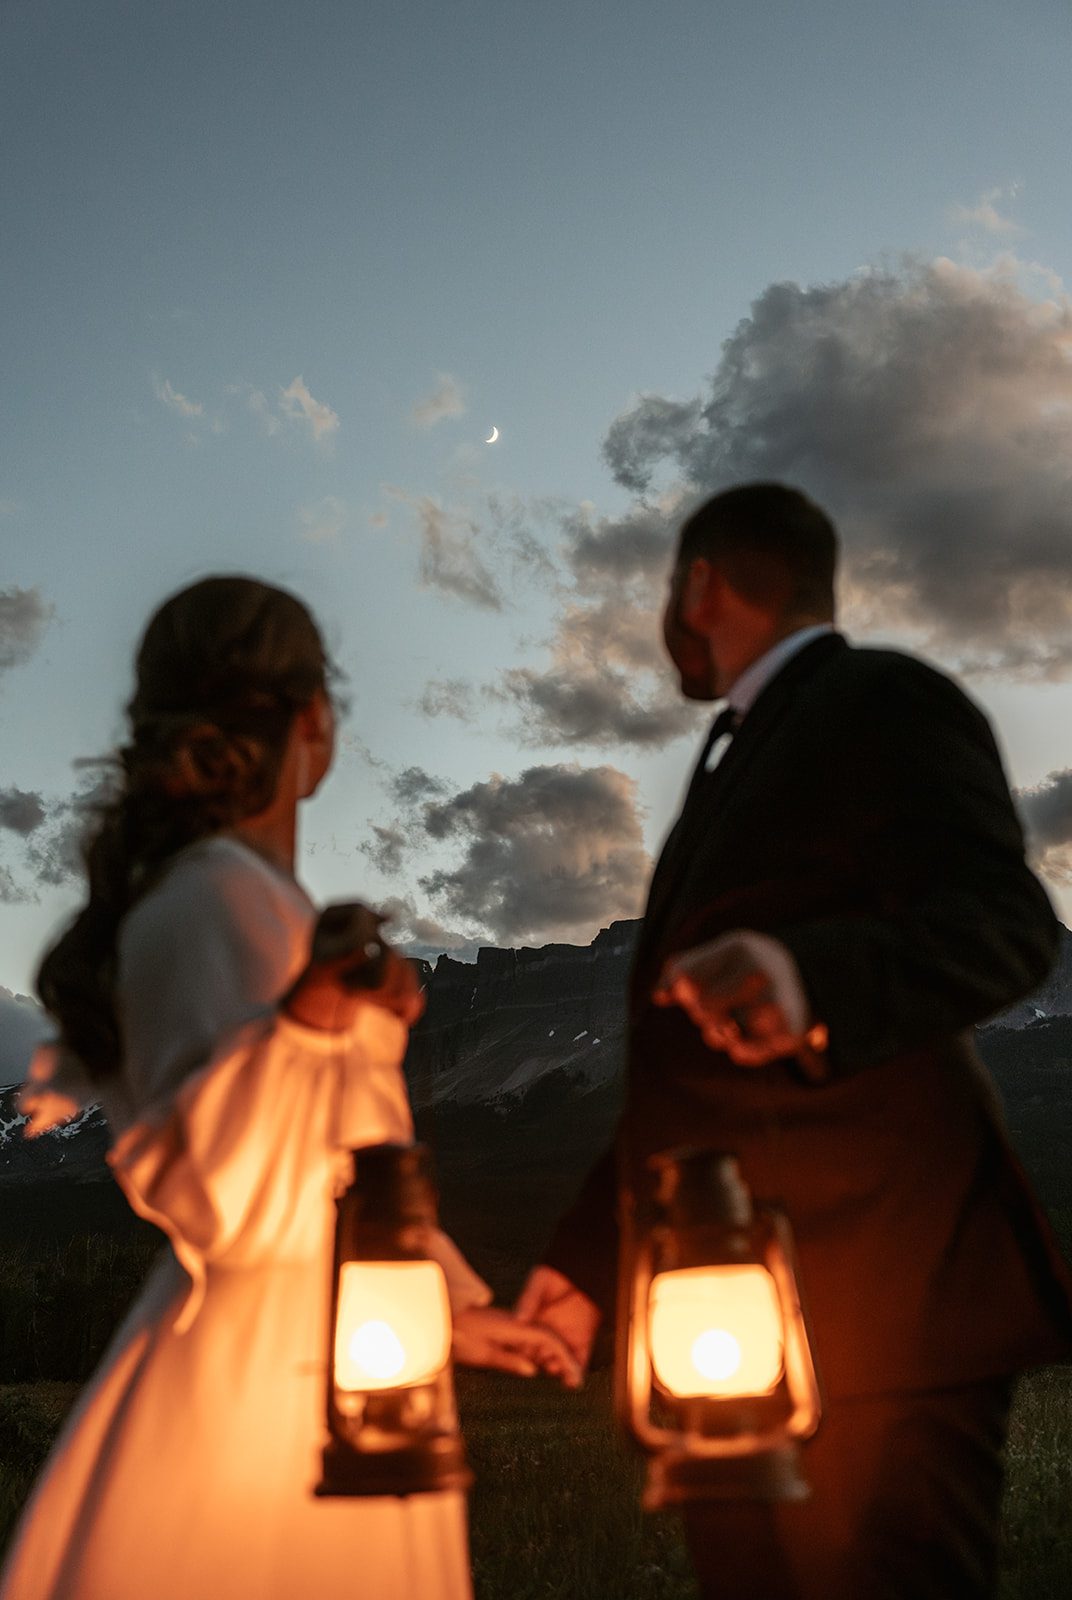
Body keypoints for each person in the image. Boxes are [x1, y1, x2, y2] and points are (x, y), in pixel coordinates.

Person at [516, 483, 1072, 1599]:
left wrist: (806, 977)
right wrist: (581, 1267)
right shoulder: (736, 757)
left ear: (701, 585)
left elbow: (1008, 926)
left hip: (884, 1308)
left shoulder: (881, 699)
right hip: (726, 1333)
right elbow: (690, 1077)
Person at [0, 575, 577, 1600]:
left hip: (342, 1365)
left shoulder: (238, 903)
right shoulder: (219, 902)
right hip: (274, 1406)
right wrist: (312, 1025)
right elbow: (225, 1198)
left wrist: (446, 1308)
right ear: (315, 720)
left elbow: (334, 1184)